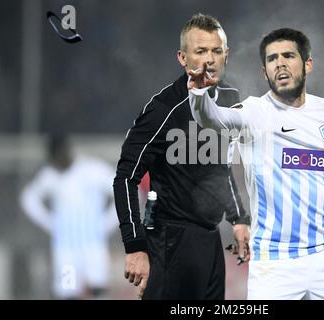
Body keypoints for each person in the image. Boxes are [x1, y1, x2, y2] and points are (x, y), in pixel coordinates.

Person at [188, 28, 324, 299]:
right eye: (272, 59)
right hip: (274, 265)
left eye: (288, 55)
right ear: (264, 72)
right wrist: (197, 95)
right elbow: (213, 118)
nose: (280, 63)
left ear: (308, 63)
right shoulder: (254, 112)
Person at [113, 13, 250, 300]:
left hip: (211, 241)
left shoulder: (230, 99)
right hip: (169, 242)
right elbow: (125, 177)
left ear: (227, 54)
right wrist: (134, 245)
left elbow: (221, 167)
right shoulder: (163, 109)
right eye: (200, 51)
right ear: (182, 58)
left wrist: (238, 218)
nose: (209, 59)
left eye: (216, 51)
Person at [20, 134, 118, 299]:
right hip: (66, 250)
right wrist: (49, 222)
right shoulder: (50, 176)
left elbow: (122, 191)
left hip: (93, 246)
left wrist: (108, 223)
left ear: (66, 151)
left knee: (98, 287)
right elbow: (29, 198)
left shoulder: (92, 170)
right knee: (67, 290)